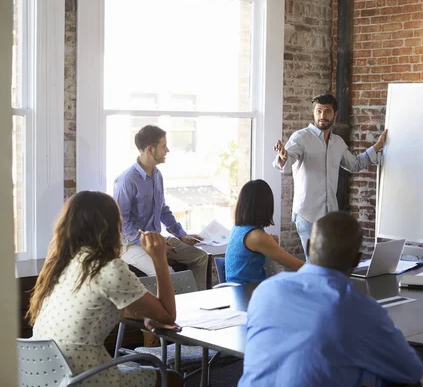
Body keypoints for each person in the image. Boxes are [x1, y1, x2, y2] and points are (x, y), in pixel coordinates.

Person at [239, 211, 423, 387]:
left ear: (310, 246)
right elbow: (411, 371)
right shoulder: (358, 310)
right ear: (357, 260)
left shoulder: (266, 290)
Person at [27, 191, 183, 387]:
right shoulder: (108, 268)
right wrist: (159, 258)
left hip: (45, 373)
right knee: (173, 379)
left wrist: (145, 316)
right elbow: (168, 315)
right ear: (111, 226)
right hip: (84, 376)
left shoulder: (61, 264)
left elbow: (97, 307)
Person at [273, 94, 388, 260]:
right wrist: (283, 158)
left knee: (330, 261)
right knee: (314, 262)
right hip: (307, 214)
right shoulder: (301, 137)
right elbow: (287, 160)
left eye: (327, 111)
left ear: (335, 114)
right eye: (318, 111)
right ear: (314, 113)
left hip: (330, 215)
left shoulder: (338, 143)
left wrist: (377, 146)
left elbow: (355, 165)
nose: (322, 116)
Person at [114, 125, 209, 290]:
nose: (168, 150)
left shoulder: (157, 175)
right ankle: (175, 313)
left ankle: (197, 303)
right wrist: (150, 243)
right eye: (163, 146)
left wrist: (181, 234)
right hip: (131, 244)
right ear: (150, 149)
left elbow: (163, 210)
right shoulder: (127, 180)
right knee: (169, 274)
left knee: (201, 257)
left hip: (156, 238)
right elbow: (122, 223)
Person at [226, 179, 304, 284]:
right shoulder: (258, 237)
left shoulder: (238, 228)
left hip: (235, 290)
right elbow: (296, 265)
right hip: (247, 292)